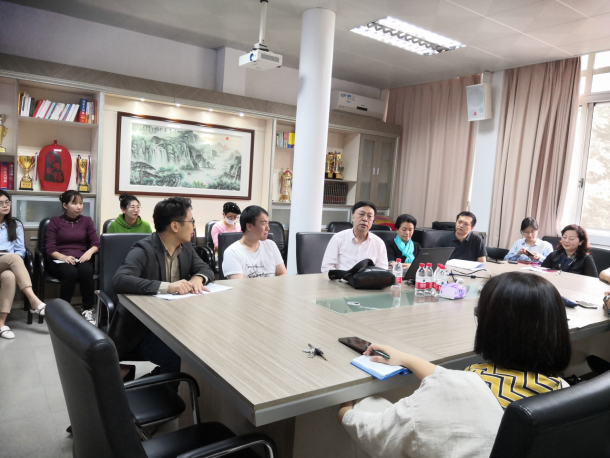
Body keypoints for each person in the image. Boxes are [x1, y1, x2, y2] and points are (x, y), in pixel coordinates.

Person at [338, 272, 570, 458]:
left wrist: (345, 411)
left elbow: (376, 433)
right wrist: (406, 358)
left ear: (490, 328)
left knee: (368, 402)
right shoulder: (564, 391)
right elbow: (463, 388)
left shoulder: (452, 393)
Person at [108, 197, 214, 374]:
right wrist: (168, 287)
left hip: (175, 323)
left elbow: (205, 269)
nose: (194, 226)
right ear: (175, 226)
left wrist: (198, 278)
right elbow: (119, 279)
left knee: (203, 348)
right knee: (179, 359)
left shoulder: (186, 247)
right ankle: (155, 388)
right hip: (142, 329)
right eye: (191, 221)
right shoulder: (144, 248)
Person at [46, 191, 100, 326]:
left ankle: (87, 309)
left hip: (80, 257)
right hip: (60, 259)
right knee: (70, 272)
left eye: (81, 203)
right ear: (65, 205)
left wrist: (89, 252)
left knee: (86, 271)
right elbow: (50, 248)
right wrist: (63, 257)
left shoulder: (87, 221)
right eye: (74, 203)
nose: (79, 206)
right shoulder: (54, 222)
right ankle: (64, 311)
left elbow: (96, 243)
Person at [0, 191, 46, 339]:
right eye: (0, 203)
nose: (5, 206)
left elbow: (20, 249)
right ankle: (34, 300)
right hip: (8, 259)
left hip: (9, 263)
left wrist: (13, 261)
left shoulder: (15, 224)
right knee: (13, 257)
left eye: (7, 202)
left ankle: (1, 323)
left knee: (9, 276)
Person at [321, 201, 388, 273]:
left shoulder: (378, 243)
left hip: (367, 279)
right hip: (341, 279)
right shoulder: (338, 238)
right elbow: (326, 267)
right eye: (361, 214)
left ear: (373, 220)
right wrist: (343, 276)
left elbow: (382, 270)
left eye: (369, 216)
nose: (365, 219)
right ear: (353, 217)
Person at [222, 205, 287, 279]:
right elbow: (238, 284)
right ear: (249, 226)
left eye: (268, 223)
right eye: (264, 223)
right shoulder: (232, 252)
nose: (268, 228)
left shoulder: (271, 245)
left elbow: (283, 274)